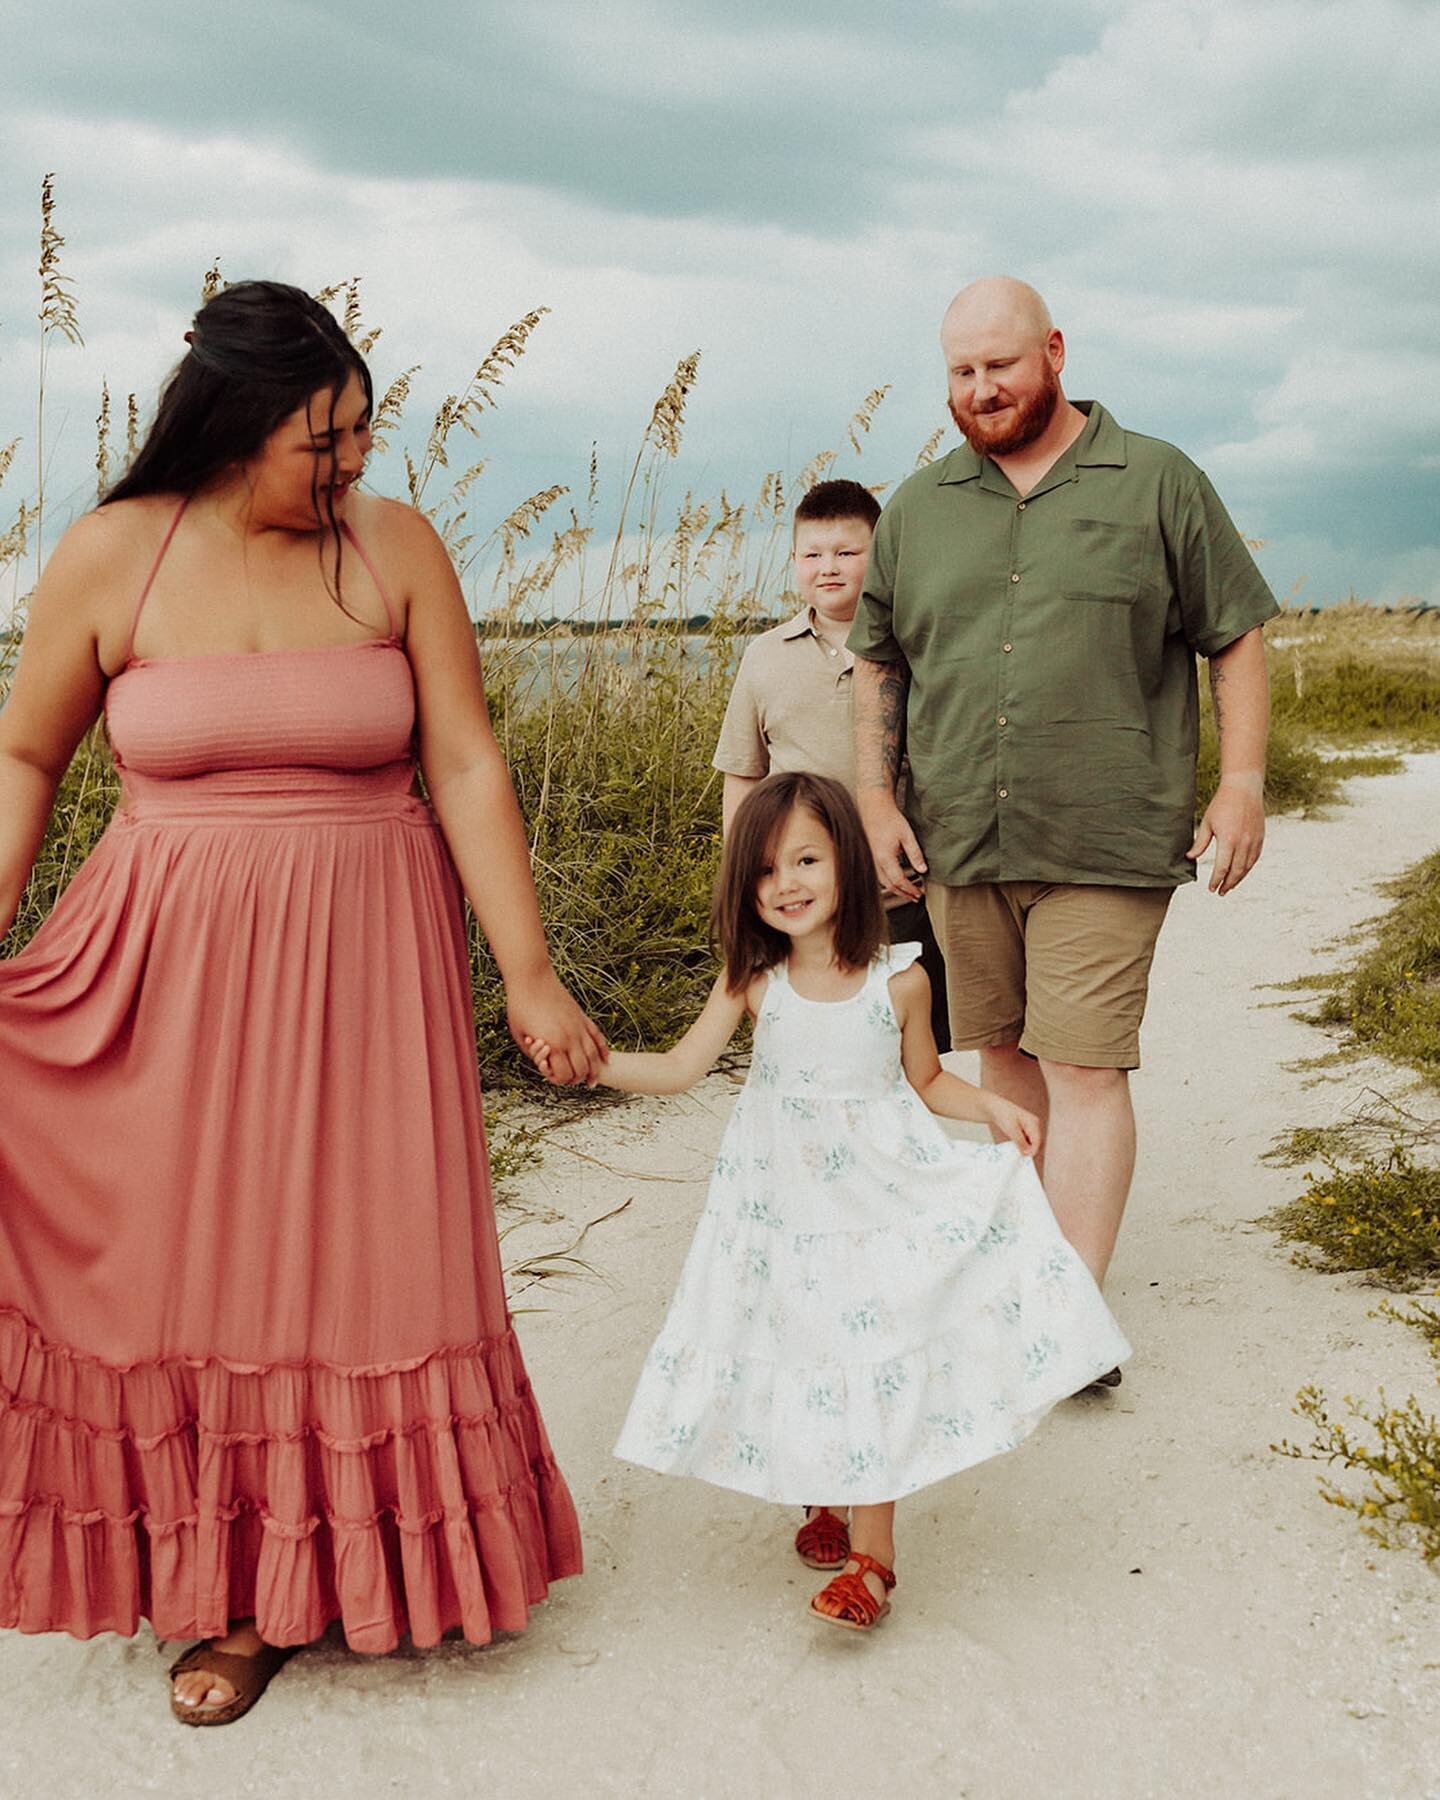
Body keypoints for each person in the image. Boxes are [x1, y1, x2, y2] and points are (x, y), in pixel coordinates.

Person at [0, 281, 602, 1724]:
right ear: (231, 425)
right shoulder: (112, 557)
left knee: (366, 1270)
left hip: (366, 985)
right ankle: (223, 1592)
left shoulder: (393, 548)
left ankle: (358, 1567)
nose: (346, 471)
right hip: (163, 988)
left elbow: (463, 761)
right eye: (319, 444)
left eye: (357, 439)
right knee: (189, 1278)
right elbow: (25, 761)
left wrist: (527, 972)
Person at [526, 771, 1129, 1632]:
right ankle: (823, 1495)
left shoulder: (900, 981)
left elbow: (924, 1081)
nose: (788, 884)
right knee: (798, 1341)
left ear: (846, 861)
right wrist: (592, 1064)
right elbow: (679, 1067)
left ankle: (872, 1560)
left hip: (874, 1203)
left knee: (871, 1350)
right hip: (780, 1210)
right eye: (767, 870)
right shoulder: (754, 979)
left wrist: (992, 1103)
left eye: (806, 858)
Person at [850, 278, 1278, 1352]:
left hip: (1108, 831)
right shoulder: (919, 507)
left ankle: (1069, 1313)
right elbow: (878, 662)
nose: (982, 389)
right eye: (961, 371)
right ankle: (1025, 1269)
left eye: (1001, 365)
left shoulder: (1158, 481)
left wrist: (1241, 783)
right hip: (961, 835)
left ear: (1053, 351)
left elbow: (1235, 635)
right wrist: (872, 797)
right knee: (1001, 1057)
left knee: (1085, 1064)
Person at [713, 478, 950, 1051]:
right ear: (793, 560)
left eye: (847, 552)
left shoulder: (918, 648)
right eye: (812, 554)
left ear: (882, 555)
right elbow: (745, 773)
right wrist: (742, 872)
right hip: (807, 897)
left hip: (903, 890)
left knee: (906, 1042)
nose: (829, 568)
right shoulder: (765, 656)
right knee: (820, 1039)